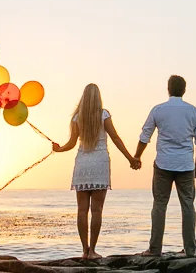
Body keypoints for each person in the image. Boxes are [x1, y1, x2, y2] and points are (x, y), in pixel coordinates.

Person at [51, 83, 139, 260]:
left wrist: (58, 149)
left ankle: (85, 250)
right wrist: (131, 158)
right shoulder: (104, 115)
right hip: (100, 164)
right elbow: (115, 138)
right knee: (97, 210)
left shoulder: (77, 118)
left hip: (82, 164)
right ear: (98, 98)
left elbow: (71, 143)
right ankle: (92, 251)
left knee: (81, 210)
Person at [133, 75, 196, 258]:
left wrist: (137, 156)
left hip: (163, 164)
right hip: (186, 164)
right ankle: (190, 250)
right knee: (188, 205)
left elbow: (145, 136)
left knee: (159, 205)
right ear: (184, 90)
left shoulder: (158, 110)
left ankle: (154, 249)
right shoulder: (194, 111)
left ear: (168, 89)